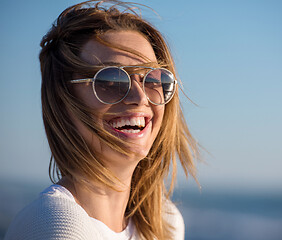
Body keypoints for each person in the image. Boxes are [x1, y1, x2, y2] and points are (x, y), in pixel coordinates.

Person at [5, 1, 198, 239]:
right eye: (110, 80)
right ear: (63, 101)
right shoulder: (58, 225)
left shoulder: (165, 223)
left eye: (152, 79)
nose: (140, 98)